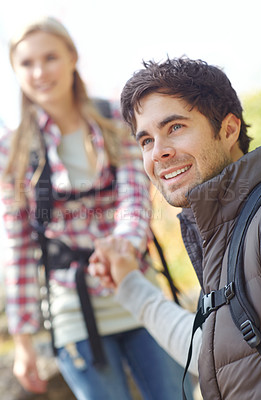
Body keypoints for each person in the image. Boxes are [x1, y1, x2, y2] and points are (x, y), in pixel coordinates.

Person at [0, 19, 195, 400]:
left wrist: (121, 247)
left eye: (50, 57)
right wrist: (23, 339)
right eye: (27, 63)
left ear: (72, 57)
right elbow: (18, 245)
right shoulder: (13, 149)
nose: (39, 72)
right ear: (15, 70)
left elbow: (135, 199)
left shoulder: (113, 120)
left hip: (136, 292)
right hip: (72, 313)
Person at [90, 57, 261, 400]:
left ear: (228, 130)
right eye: (146, 141)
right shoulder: (222, 232)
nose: (159, 153)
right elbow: (219, 354)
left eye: (175, 128)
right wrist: (130, 286)